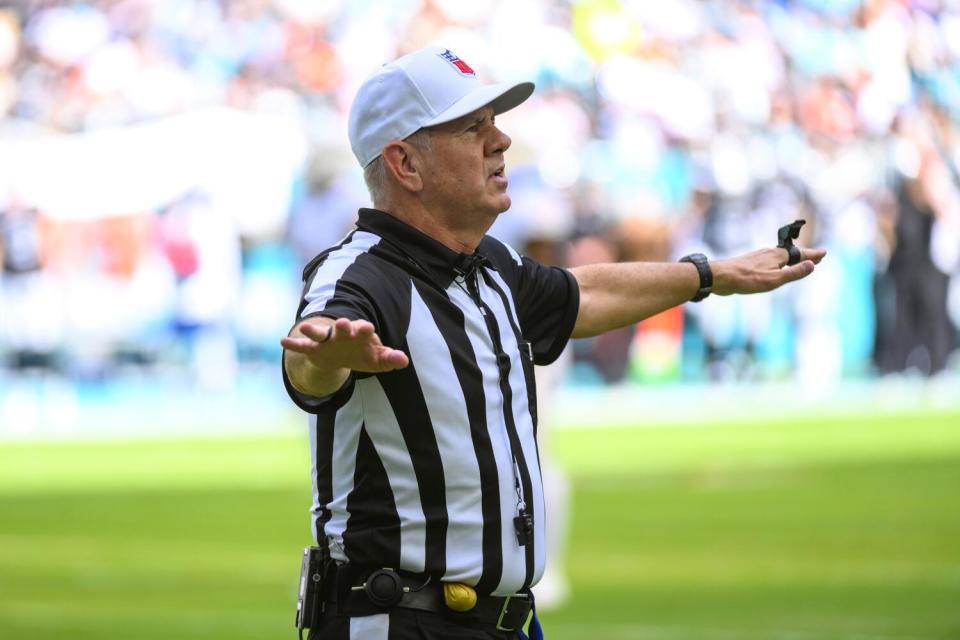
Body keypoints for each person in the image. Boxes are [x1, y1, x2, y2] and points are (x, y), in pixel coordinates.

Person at [280, 46, 826, 640]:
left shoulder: (487, 264)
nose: (501, 141)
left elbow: (581, 296)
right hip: (400, 624)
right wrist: (326, 358)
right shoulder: (359, 275)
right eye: (472, 127)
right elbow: (311, 358)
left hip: (507, 620)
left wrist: (711, 275)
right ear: (406, 164)